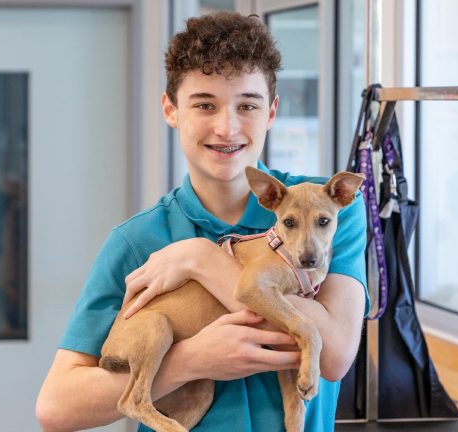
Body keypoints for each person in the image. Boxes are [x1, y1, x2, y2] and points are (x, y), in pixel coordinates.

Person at [36, 11, 367, 432]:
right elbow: (56, 407)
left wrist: (199, 259)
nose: (227, 127)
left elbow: (335, 355)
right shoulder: (138, 241)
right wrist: (188, 362)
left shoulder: (328, 214)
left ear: (271, 112)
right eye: (205, 104)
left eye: (247, 105)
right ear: (170, 109)